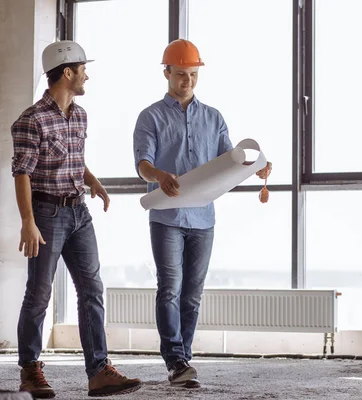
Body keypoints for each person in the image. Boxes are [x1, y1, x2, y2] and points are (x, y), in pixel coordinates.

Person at [133, 39, 272, 388]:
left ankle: (184, 360)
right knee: (170, 288)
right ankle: (175, 360)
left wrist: (255, 168)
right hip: (166, 217)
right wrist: (158, 176)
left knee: (192, 293)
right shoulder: (150, 116)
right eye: (181, 74)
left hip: (203, 219)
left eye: (193, 75)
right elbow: (142, 165)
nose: (188, 81)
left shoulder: (214, 118)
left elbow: (231, 161)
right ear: (166, 73)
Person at [11, 40, 142, 398]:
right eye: (84, 68)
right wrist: (27, 221)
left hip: (79, 212)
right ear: (67, 72)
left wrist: (93, 181)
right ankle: (29, 370)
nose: (88, 75)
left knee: (92, 290)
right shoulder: (30, 120)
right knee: (39, 294)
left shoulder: (80, 115)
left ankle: (98, 371)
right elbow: (22, 173)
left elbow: (72, 159)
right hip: (46, 214)